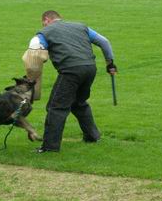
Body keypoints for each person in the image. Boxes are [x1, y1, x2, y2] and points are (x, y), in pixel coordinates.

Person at [28, 10, 116, 153]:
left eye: (43, 23)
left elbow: (35, 50)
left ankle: (50, 147)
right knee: (78, 103)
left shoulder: (45, 32)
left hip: (71, 71)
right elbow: (104, 42)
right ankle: (92, 136)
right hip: (90, 69)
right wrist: (110, 63)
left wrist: (33, 73)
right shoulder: (81, 27)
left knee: (56, 107)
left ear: (46, 20)